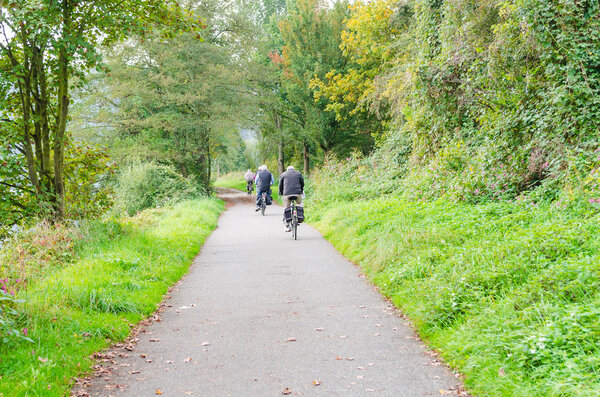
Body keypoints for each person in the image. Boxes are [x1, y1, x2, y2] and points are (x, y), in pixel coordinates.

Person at [278, 165, 304, 231]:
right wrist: (301, 190)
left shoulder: (283, 174)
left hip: (287, 194)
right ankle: (300, 216)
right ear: (293, 169)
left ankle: (287, 225)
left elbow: (280, 185)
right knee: (300, 203)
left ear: (287, 170)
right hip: (297, 193)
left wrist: (281, 193)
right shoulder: (298, 173)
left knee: (286, 207)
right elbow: (302, 183)